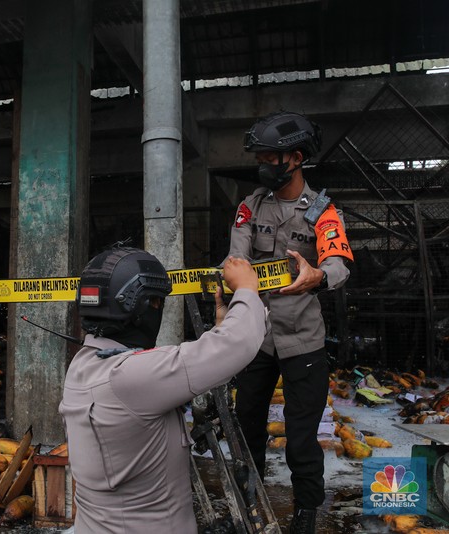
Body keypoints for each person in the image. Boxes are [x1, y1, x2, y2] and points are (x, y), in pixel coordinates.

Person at [59, 246, 267, 534]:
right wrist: (246, 289)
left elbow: (180, 368)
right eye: (156, 304)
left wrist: (220, 328)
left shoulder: (83, 366)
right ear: (136, 307)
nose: (158, 311)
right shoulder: (129, 378)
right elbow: (237, 345)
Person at [228, 111, 354, 533]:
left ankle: (305, 514)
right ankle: (250, 500)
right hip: (256, 338)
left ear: (296, 158)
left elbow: (338, 263)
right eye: (260, 157)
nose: (263, 165)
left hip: (304, 340)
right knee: (247, 425)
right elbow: (237, 259)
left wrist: (319, 275)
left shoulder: (323, 211)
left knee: (302, 438)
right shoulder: (250, 207)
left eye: (270, 157)